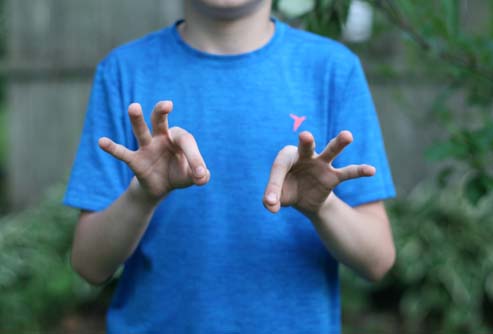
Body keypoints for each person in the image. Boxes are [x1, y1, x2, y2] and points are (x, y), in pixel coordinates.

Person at [64, 0, 396, 332]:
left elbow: (377, 260)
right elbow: (90, 265)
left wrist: (324, 207)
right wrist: (141, 197)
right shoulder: (123, 71)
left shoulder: (333, 70)